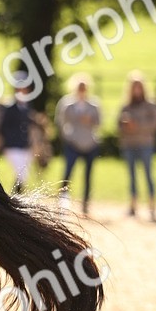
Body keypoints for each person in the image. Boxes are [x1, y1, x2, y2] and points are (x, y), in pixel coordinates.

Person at [54, 74, 101, 215]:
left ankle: (86, 204)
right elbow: (60, 122)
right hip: (73, 143)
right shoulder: (67, 104)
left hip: (89, 143)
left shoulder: (93, 104)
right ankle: (63, 201)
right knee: (67, 173)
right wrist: (67, 136)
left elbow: (98, 123)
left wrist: (89, 120)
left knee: (88, 175)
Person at [118, 72, 156, 221]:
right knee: (132, 176)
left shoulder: (150, 105)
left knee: (148, 174)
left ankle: (152, 206)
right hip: (129, 145)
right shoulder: (126, 106)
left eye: (139, 87)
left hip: (145, 144)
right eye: (134, 87)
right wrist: (125, 125)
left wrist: (135, 126)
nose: (136, 90)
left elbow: (154, 125)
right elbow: (119, 125)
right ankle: (133, 206)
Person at [0, 73, 37, 194]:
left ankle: (17, 196)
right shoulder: (10, 107)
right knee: (21, 174)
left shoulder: (27, 106)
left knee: (23, 175)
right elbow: (3, 127)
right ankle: (16, 197)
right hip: (13, 145)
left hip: (24, 145)